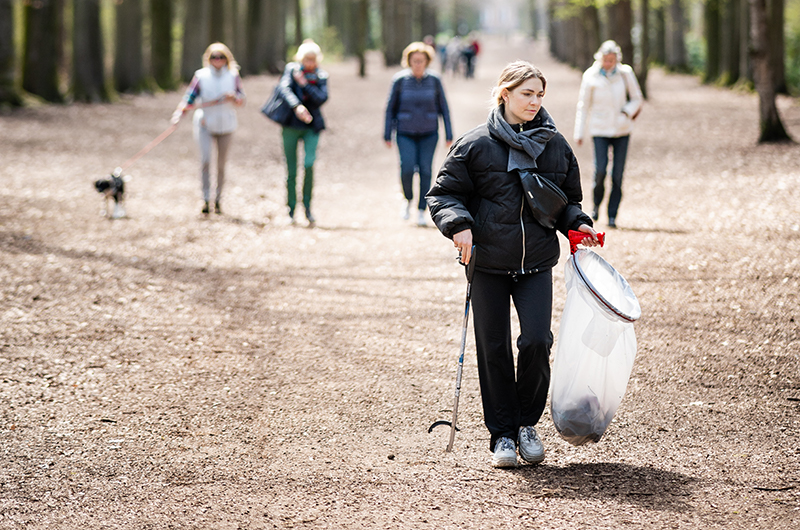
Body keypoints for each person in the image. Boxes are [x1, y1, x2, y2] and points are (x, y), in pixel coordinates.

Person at [426, 61, 601, 468]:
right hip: (487, 263)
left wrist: (579, 224)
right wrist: (460, 226)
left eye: (540, 94)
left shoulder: (555, 145)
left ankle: (526, 424)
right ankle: (502, 434)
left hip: (536, 263)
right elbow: (443, 194)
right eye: (527, 94)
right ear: (504, 94)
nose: (535, 102)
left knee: (537, 342)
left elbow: (566, 203)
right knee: (494, 349)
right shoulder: (473, 145)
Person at [574, 40, 643, 228]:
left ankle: (612, 214)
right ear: (600, 58)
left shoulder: (625, 73)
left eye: (612, 60)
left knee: (618, 175)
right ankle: (596, 205)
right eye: (605, 60)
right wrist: (579, 132)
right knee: (601, 170)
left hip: (621, 129)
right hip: (599, 129)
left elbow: (637, 98)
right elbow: (583, 105)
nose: (608, 63)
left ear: (617, 59)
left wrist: (626, 112)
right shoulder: (590, 76)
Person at [384, 42, 453, 226]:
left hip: (429, 132)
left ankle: (422, 209)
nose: (418, 64)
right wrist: (386, 134)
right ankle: (407, 199)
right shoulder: (399, 81)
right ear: (408, 61)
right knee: (406, 168)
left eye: (421, 61)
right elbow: (390, 108)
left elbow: (444, 108)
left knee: (425, 170)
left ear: (427, 61)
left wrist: (449, 133)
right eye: (414, 61)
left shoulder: (435, 80)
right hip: (405, 131)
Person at [172, 42, 245, 215]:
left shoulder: (233, 75)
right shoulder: (201, 76)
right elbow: (189, 97)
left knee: (221, 164)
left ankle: (218, 199)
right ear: (208, 59)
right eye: (214, 57)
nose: (217, 60)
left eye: (221, 57)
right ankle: (205, 199)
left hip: (227, 125)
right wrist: (178, 114)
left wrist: (234, 97)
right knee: (205, 161)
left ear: (226, 59)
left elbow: (242, 99)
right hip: (205, 123)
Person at [275, 39, 329, 226]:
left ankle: (307, 206)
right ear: (300, 58)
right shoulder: (292, 70)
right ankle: (290, 208)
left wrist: (305, 84)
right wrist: (297, 106)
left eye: (313, 59)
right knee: (291, 170)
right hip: (290, 125)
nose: (309, 62)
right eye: (306, 58)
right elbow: (284, 88)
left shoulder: (321, 75)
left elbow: (322, 98)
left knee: (308, 164)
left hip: (311, 127)